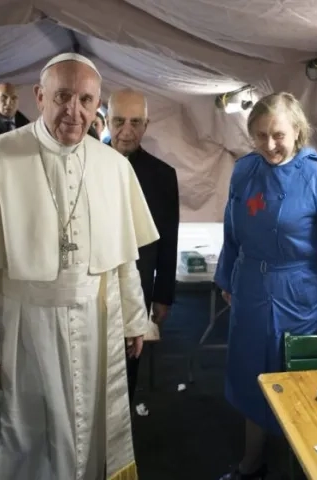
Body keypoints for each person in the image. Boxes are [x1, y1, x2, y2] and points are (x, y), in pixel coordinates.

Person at [0, 52, 159, 480]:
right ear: (39, 96)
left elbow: (125, 256)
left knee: (88, 435)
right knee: (20, 439)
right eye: (63, 96)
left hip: (94, 326)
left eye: (87, 100)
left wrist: (132, 318)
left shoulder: (113, 166)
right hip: (21, 328)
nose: (75, 111)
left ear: (98, 106)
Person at [214, 92, 317, 479]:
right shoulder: (245, 170)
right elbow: (233, 231)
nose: (269, 145)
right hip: (251, 291)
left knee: (296, 382)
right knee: (252, 379)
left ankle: (304, 467)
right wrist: (227, 276)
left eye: (277, 135)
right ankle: (252, 461)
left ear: (297, 131)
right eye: (260, 135)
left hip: (301, 294)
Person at [106, 88, 180, 402]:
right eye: (119, 121)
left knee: (129, 363)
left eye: (136, 122)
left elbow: (168, 238)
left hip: (138, 286)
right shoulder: (80, 167)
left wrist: (163, 295)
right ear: (106, 121)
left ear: (146, 125)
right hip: (89, 287)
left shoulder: (163, 175)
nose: (127, 131)